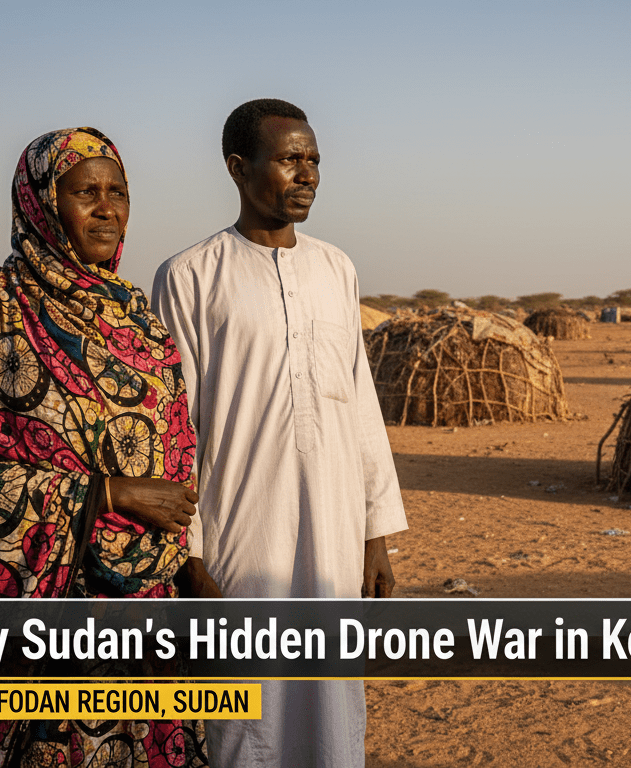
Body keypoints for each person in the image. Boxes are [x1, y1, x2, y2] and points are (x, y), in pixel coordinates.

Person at [0, 127, 219, 767]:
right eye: (86, 192)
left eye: (119, 193)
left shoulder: (137, 316)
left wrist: (182, 560)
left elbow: (173, 448)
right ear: (42, 202)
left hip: (148, 607)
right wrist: (104, 494)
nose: (107, 209)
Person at [153, 99, 408, 766]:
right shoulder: (190, 275)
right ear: (238, 168)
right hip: (238, 531)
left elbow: (359, 403)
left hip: (332, 530)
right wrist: (190, 555)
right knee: (246, 708)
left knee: (332, 700)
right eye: (291, 159)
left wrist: (374, 533)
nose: (309, 174)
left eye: (315, 159)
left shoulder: (336, 268)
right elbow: (176, 428)